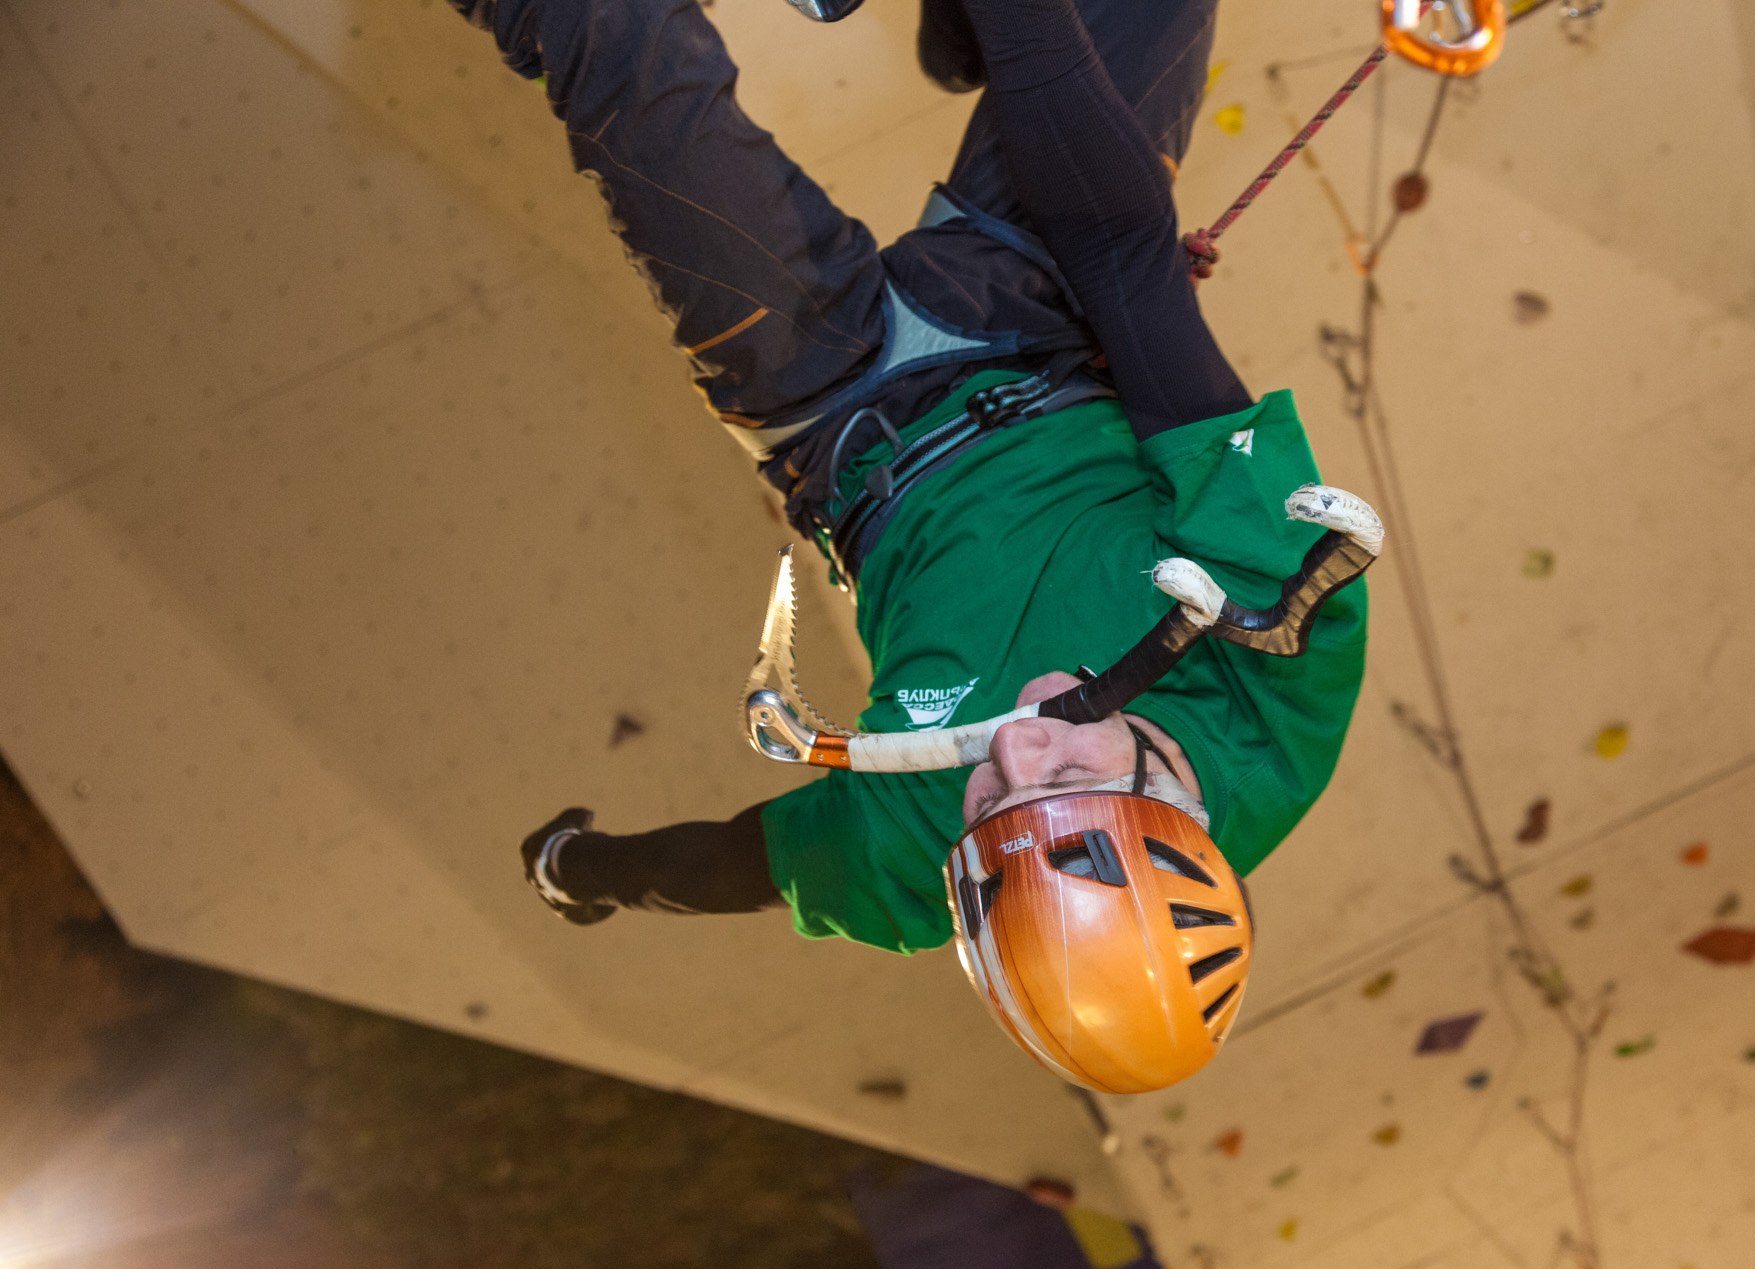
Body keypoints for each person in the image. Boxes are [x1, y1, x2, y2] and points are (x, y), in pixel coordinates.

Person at [455, 0, 1371, 1086]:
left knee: (612, 33)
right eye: (1071, 772)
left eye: (986, 804)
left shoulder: (904, 867)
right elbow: (1123, 262)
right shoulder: (1283, 670)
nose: (1015, 747)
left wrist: (586, 870)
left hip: (825, 398)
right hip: (1047, 313)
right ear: (1182, 809)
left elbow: (725, 864)